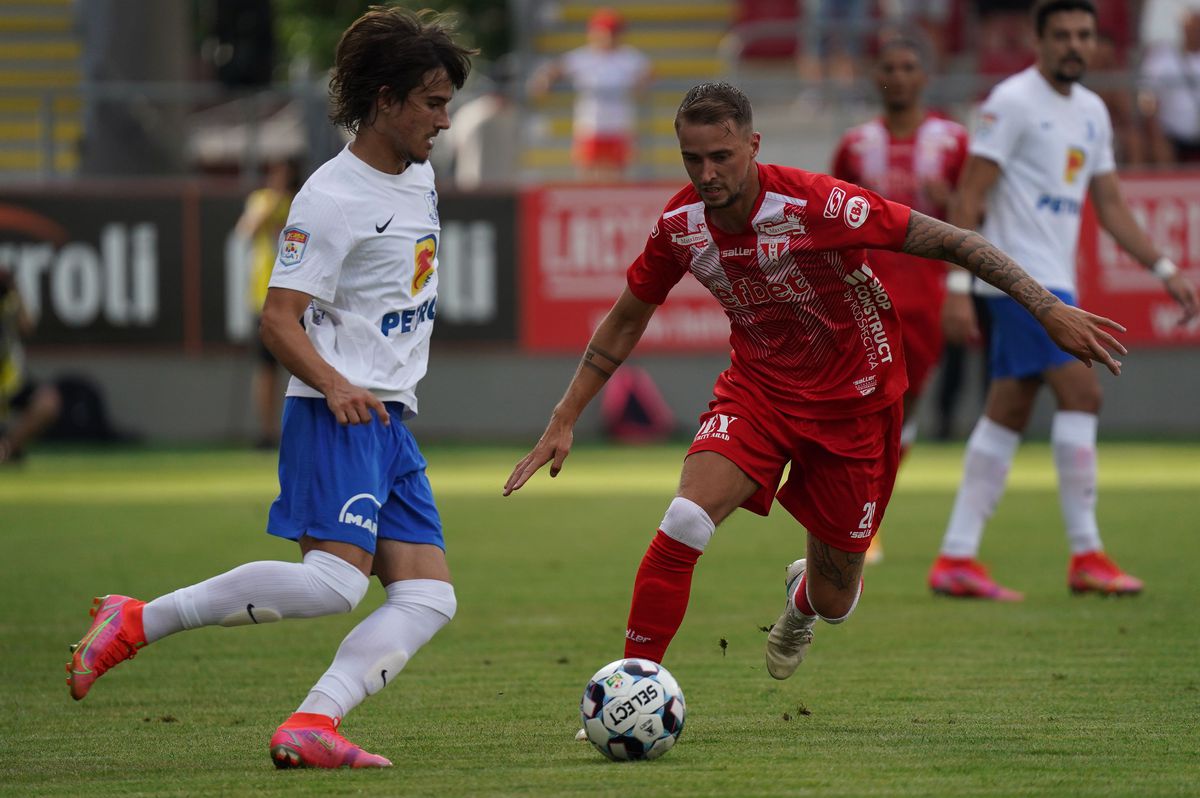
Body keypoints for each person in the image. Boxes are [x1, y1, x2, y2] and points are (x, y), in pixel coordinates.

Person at [503, 82, 1127, 699]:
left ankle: (802, 600)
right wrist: (564, 416)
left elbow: (953, 240)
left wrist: (1047, 309)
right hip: (759, 393)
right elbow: (626, 318)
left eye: (721, 157)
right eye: (693, 159)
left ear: (753, 145)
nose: (707, 173)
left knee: (835, 599)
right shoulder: (680, 226)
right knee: (685, 518)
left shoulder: (818, 204)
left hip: (857, 403)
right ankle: (629, 689)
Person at [65, 7, 475, 769]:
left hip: (388, 422)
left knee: (429, 597)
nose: (445, 120)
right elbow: (278, 320)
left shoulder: (419, 177)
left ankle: (312, 722)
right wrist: (336, 382)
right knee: (332, 585)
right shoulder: (329, 198)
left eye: (447, 102)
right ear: (384, 100)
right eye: (432, 102)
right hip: (336, 412)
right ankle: (137, 619)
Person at [930, 0, 1199, 600]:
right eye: (1063, 35)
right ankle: (1086, 554)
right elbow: (969, 199)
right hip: (1015, 279)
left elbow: (1110, 205)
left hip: (1060, 282)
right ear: (1039, 38)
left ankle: (956, 556)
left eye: (1084, 34)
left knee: (1009, 411)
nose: (1075, 44)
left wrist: (1162, 265)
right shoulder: (1011, 102)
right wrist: (956, 287)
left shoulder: (1093, 112)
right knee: (1082, 389)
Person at [831, 35, 969, 562]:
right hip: (865, 296)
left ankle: (867, 517)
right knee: (867, 406)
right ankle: (858, 522)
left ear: (924, 77)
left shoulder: (953, 141)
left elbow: (975, 214)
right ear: (878, 77)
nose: (900, 75)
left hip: (927, 298)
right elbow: (829, 215)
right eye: (889, 66)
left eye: (910, 66)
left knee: (902, 411)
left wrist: (951, 205)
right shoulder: (855, 144)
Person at [528, 7, 653, 181]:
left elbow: (647, 74)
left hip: (619, 125)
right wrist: (544, 81)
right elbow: (554, 70)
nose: (608, 37)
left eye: (613, 32)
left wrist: (641, 84)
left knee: (617, 174)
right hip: (590, 126)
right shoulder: (583, 56)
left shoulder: (629, 57)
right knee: (587, 172)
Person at [235, 157, 301, 449]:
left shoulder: (302, 202)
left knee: (305, 366)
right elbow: (247, 230)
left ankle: (304, 430)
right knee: (266, 369)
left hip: (299, 297)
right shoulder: (262, 200)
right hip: (265, 295)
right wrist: (274, 199)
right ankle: (267, 431)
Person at [0, 267, 61, 465]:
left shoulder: (8, 300)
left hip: (9, 380)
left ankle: (7, 450)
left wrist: (14, 288)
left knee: (47, 402)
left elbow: (27, 326)